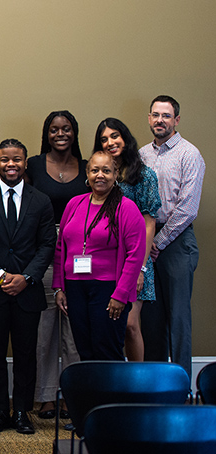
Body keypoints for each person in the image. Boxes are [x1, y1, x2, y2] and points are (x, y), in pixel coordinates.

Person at [0, 138, 55, 435]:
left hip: (28, 290)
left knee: (26, 354)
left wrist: (26, 277)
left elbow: (46, 246)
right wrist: (0, 275)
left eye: (17, 159)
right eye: (5, 159)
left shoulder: (40, 200)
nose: (11, 164)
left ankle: (21, 412)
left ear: (25, 163)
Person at [53, 152, 147, 361]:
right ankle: (90, 395)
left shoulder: (126, 208)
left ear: (115, 175)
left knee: (107, 352)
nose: (100, 175)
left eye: (106, 170)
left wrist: (120, 295)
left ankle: (112, 395)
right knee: (84, 351)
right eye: (95, 170)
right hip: (75, 288)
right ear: (87, 173)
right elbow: (61, 247)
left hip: (108, 290)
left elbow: (135, 255)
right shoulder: (74, 204)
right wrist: (59, 287)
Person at [139, 95, 205, 384]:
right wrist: (147, 242)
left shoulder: (189, 154)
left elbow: (188, 208)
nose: (160, 120)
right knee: (150, 322)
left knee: (178, 320)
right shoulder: (142, 155)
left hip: (176, 242)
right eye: (155, 115)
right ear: (149, 118)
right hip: (148, 241)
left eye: (166, 116)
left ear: (176, 120)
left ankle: (180, 390)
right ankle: (156, 387)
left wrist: (158, 241)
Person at [25, 111, 85, 420]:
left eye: (66, 129)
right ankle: (46, 397)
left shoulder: (88, 168)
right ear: (46, 134)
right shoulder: (34, 165)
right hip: (43, 256)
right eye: (53, 129)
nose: (60, 134)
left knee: (74, 333)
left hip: (81, 259)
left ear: (75, 133)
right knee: (44, 330)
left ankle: (70, 395)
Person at [94, 117, 161, 361]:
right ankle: (115, 382)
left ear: (125, 138)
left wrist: (141, 268)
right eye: (104, 139)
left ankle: (137, 383)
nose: (110, 142)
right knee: (110, 325)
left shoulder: (144, 175)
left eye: (114, 136)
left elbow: (149, 222)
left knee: (131, 326)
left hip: (136, 260)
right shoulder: (99, 175)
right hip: (107, 261)